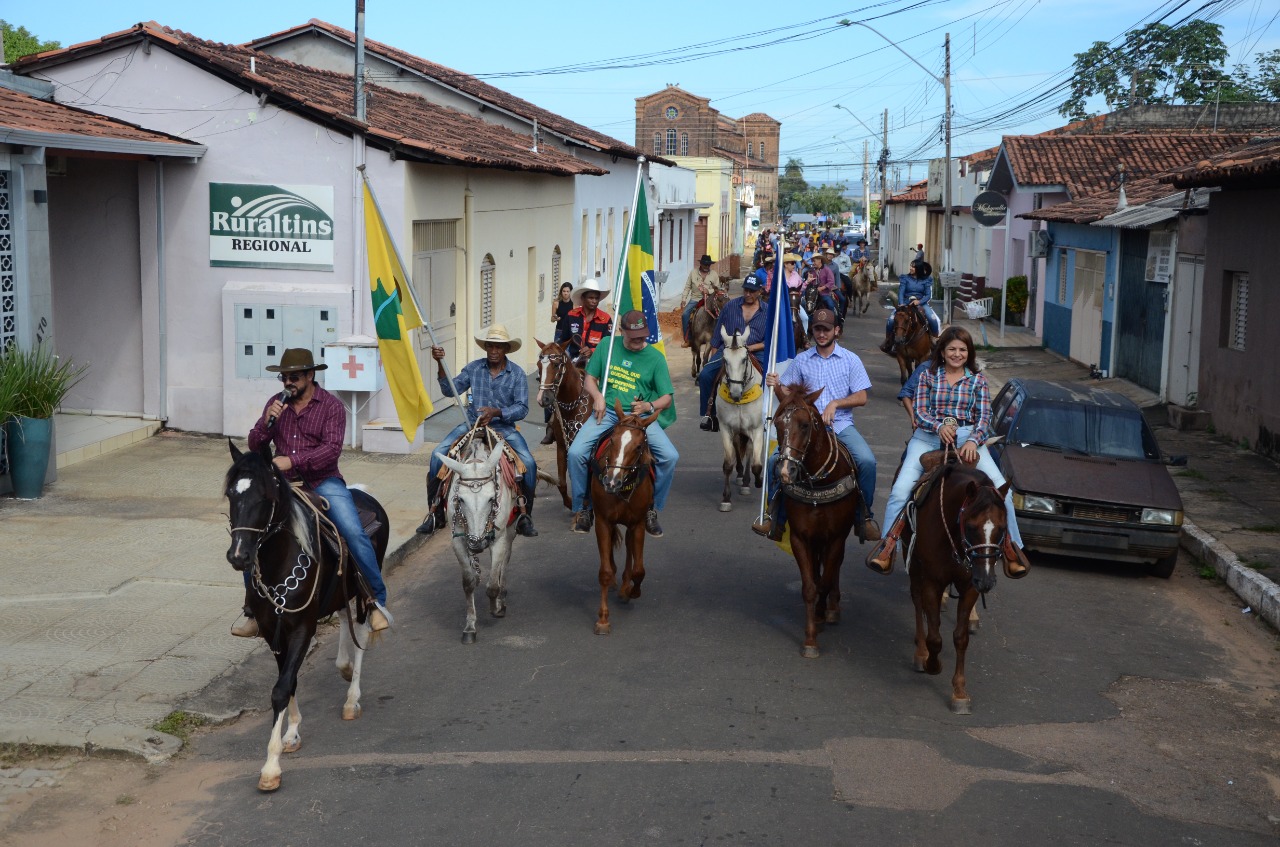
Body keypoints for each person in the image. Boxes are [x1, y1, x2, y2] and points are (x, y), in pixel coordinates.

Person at [236, 348, 391, 637]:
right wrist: (265, 423)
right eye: (284, 378)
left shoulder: (331, 406)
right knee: (252, 531)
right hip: (283, 483)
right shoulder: (276, 404)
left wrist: (292, 461)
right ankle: (254, 611)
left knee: (353, 531)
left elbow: (331, 451)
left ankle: (375, 601)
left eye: (294, 377)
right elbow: (256, 445)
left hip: (323, 481)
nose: (287, 383)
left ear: (310, 375)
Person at [866, 326, 1029, 578]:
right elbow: (919, 411)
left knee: (1002, 494)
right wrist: (938, 425)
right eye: (951, 349)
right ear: (941, 352)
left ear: (969, 353)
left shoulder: (977, 380)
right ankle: (888, 548)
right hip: (928, 438)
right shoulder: (928, 376)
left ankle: (1011, 549)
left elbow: (984, 417)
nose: (957, 354)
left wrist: (974, 440)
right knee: (900, 491)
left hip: (967, 439)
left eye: (962, 349)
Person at [752, 309, 880, 541]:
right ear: (812, 331)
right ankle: (774, 519)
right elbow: (788, 398)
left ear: (837, 331)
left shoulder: (851, 360)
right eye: (817, 329)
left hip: (839, 425)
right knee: (773, 461)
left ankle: (865, 517)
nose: (821, 334)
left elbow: (861, 397)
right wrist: (777, 385)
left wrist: (836, 403)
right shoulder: (802, 360)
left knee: (867, 461)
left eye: (826, 329)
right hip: (805, 428)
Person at [417, 324, 539, 539]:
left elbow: (522, 408)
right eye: (490, 346)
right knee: (439, 455)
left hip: (503, 429)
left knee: (529, 463)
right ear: (486, 348)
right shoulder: (474, 368)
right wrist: (440, 364)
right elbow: (449, 390)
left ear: (506, 350)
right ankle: (434, 513)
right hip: (472, 425)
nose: (493, 351)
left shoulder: (517, 374)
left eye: (498, 347)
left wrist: (498, 412)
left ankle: (524, 516)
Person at [568, 310, 678, 537]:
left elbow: (666, 398)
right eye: (634, 337)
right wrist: (597, 396)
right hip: (608, 413)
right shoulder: (607, 346)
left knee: (670, 456)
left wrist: (648, 406)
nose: (639, 342)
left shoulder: (655, 358)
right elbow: (590, 379)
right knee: (576, 453)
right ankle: (583, 508)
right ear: (621, 331)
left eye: (643, 337)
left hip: (638, 420)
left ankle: (652, 508)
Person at [697, 276, 769, 432]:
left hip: (756, 350)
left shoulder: (767, 311)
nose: (748, 294)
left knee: (770, 379)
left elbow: (769, 341)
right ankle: (710, 415)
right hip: (729, 349)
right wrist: (714, 360)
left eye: (752, 291)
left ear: (760, 291)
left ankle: (767, 415)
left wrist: (751, 348)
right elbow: (717, 337)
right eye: (746, 290)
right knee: (706, 375)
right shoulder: (730, 306)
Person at [542, 281, 577, 444]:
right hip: (559, 333)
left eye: (568, 291)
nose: (566, 293)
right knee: (551, 372)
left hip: (570, 336)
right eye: (563, 291)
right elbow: (551, 318)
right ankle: (550, 424)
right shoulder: (556, 303)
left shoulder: (574, 304)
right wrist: (555, 317)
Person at [881, 259, 940, 353]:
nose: (910, 268)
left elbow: (928, 295)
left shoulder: (926, 280)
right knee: (891, 320)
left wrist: (919, 301)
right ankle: (889, 342)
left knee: (933, 319)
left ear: (918, 268)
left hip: (921, 303)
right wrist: (901, 303)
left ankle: (935, 341)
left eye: (913, 267)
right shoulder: (905, 278)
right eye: (910, 266)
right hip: (905, 302)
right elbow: (901, 292)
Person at [556, 277, 614, 362]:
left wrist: (592, 351)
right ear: (583, 298)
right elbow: (563, 339)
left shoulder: (606, 319)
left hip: (597, 361)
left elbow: (609, 344)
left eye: (596, 298)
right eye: (590, 298)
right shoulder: (571, 315)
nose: (594, 301)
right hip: (573, 360)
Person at [679, 255, 723, 347]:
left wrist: (709, 291)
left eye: (708, 265)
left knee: (720, 313)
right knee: (685, 315)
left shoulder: (714, 274)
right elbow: (687, 287)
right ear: (701, 264)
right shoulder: (693, 273)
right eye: (705, 265)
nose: (707, 267)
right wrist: (683, 299)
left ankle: (719, 338)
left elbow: (717, 289)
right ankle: (688, 339)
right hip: (695, 298)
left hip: (710, 299)